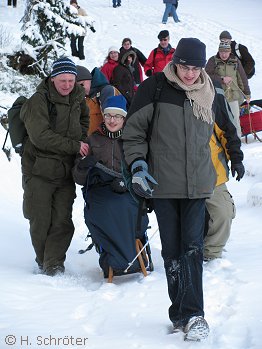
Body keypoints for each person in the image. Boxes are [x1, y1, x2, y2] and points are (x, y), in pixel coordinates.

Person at [122, 37, 218, 341]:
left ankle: (194, 315)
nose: (190, 73)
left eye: (196, 67)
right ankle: (178, 313)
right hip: (163, 183)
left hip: (198, 183)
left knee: (193, 247)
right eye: (184, 66)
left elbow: (225, 127)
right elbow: (133, 132)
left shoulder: (209, 91)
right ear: (174, 61)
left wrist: (235, 156)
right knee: (173, 250)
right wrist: (138, 164)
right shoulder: (155, 87)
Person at [20, 57, 89, 276]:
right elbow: (40, 137)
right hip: (38, 170)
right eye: (62, 80)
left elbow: (85, 121)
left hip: (65, 171)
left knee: (62, 220)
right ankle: (43, 260)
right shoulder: (38, 101)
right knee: (40, 219)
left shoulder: (78, 97)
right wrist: (74, 145)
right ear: (52, 79)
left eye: (71, 80)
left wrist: (82, 141)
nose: (67, 85)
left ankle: (54, 263)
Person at [72, 95, 149, 277]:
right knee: (102, 210)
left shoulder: (134, 139)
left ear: (124, 118)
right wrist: (82, 166)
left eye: (117, 116)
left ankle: (127, 259)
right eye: (108, 116)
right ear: (103, 116)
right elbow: (79, 178)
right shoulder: (93, 140)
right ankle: (113, 259)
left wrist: (127, 181)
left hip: (128, 193)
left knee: (124, 208)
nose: (112, 120)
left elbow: (145, 167)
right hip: (101, 194)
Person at [204, 81, 245, 261]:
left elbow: (227, 130)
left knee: (224, 212)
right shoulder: (169, 92)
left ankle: (211, 254)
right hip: (181, 174)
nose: (190, 73)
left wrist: (236, 158)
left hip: (212, 171)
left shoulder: (213, 94)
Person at [205, 41, 251, 138]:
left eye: (226, 52)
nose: (224, 54)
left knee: (235, 120)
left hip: (233, 95)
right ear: (218, 51)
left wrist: (247, 94)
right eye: (221, 52)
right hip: (217, 96)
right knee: (219, 121)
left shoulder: (235, 61)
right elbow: (206, 76)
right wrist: (221, 79)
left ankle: (237, 141)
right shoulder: (212, 61)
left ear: (230, 51)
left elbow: (242, 78)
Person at [76, 65, 121, 135]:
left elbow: (114, 125)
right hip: (90, 143)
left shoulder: (107, 91)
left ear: (89, 79)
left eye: (82, 84)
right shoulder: (86, 98)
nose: (80, 90)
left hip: (105, 143)